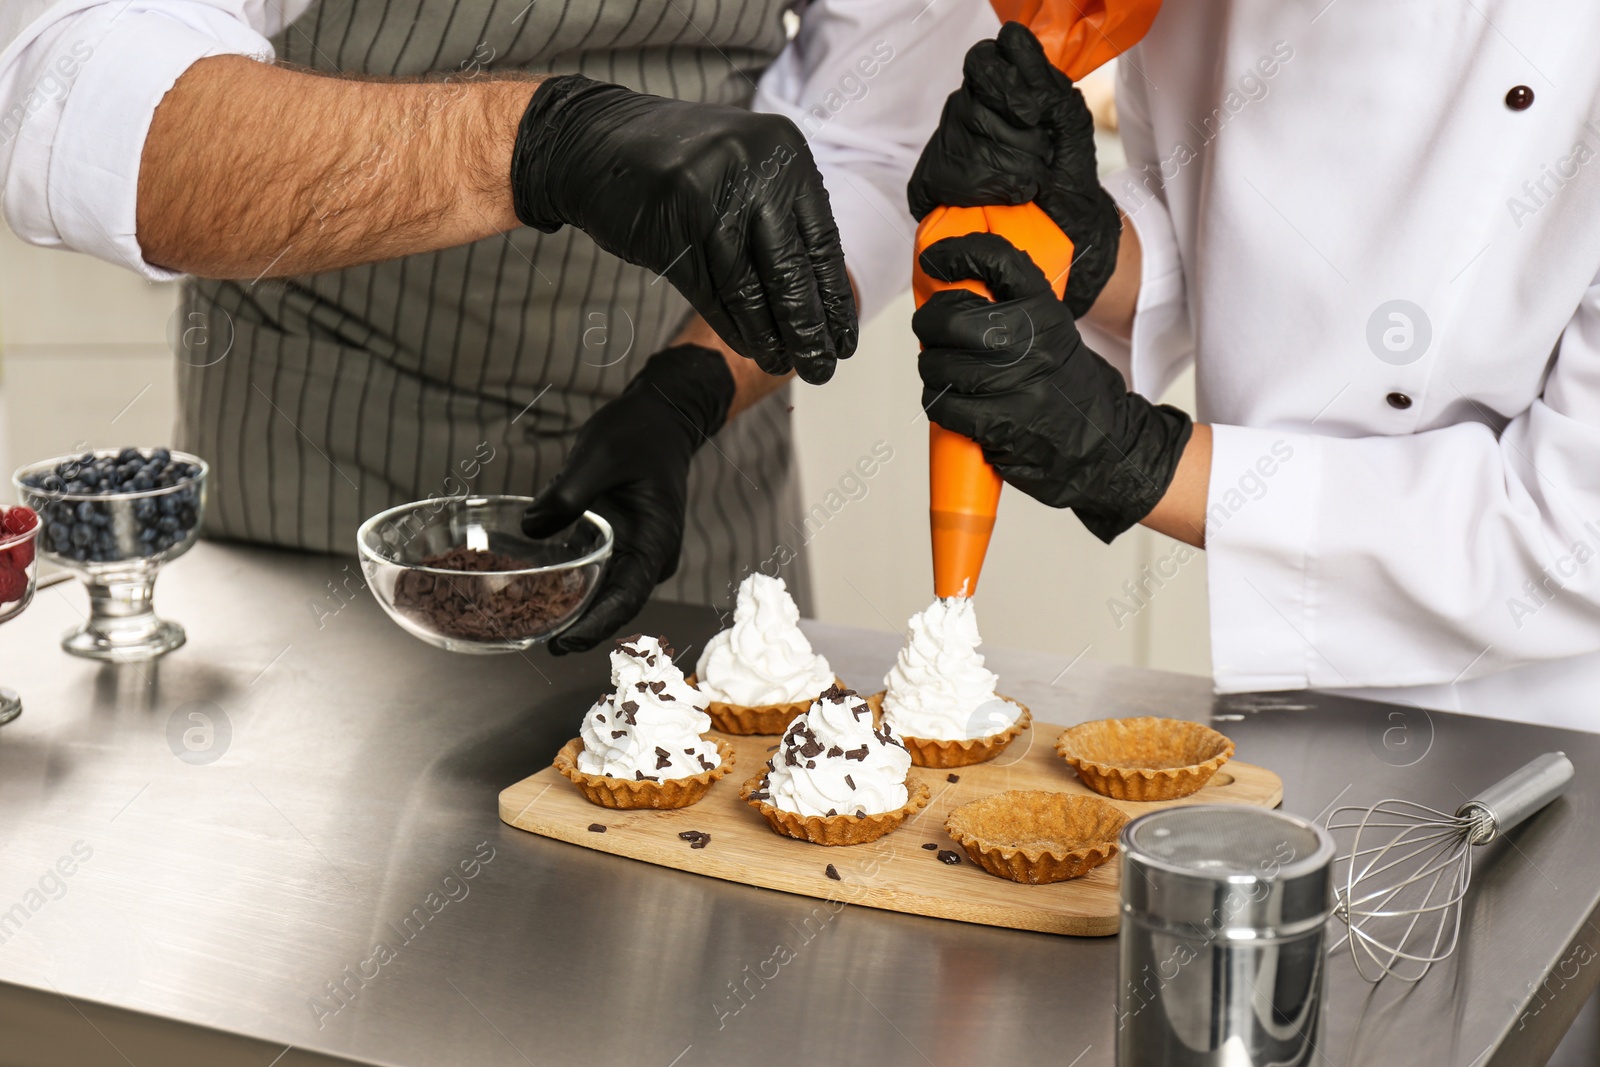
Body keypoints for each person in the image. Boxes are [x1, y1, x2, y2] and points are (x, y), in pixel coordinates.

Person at [0, 0, 999, 652]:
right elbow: (71, 87)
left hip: (694, 484)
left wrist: (691, 391)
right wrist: (526, 146)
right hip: (319, 462)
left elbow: (871, 143)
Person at [910, 19, 1600, 730]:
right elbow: (1218, 237)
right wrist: (1088, 248)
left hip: (1537, 725)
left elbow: (1575, 530)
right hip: (1270, 699)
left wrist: (1137, 463)